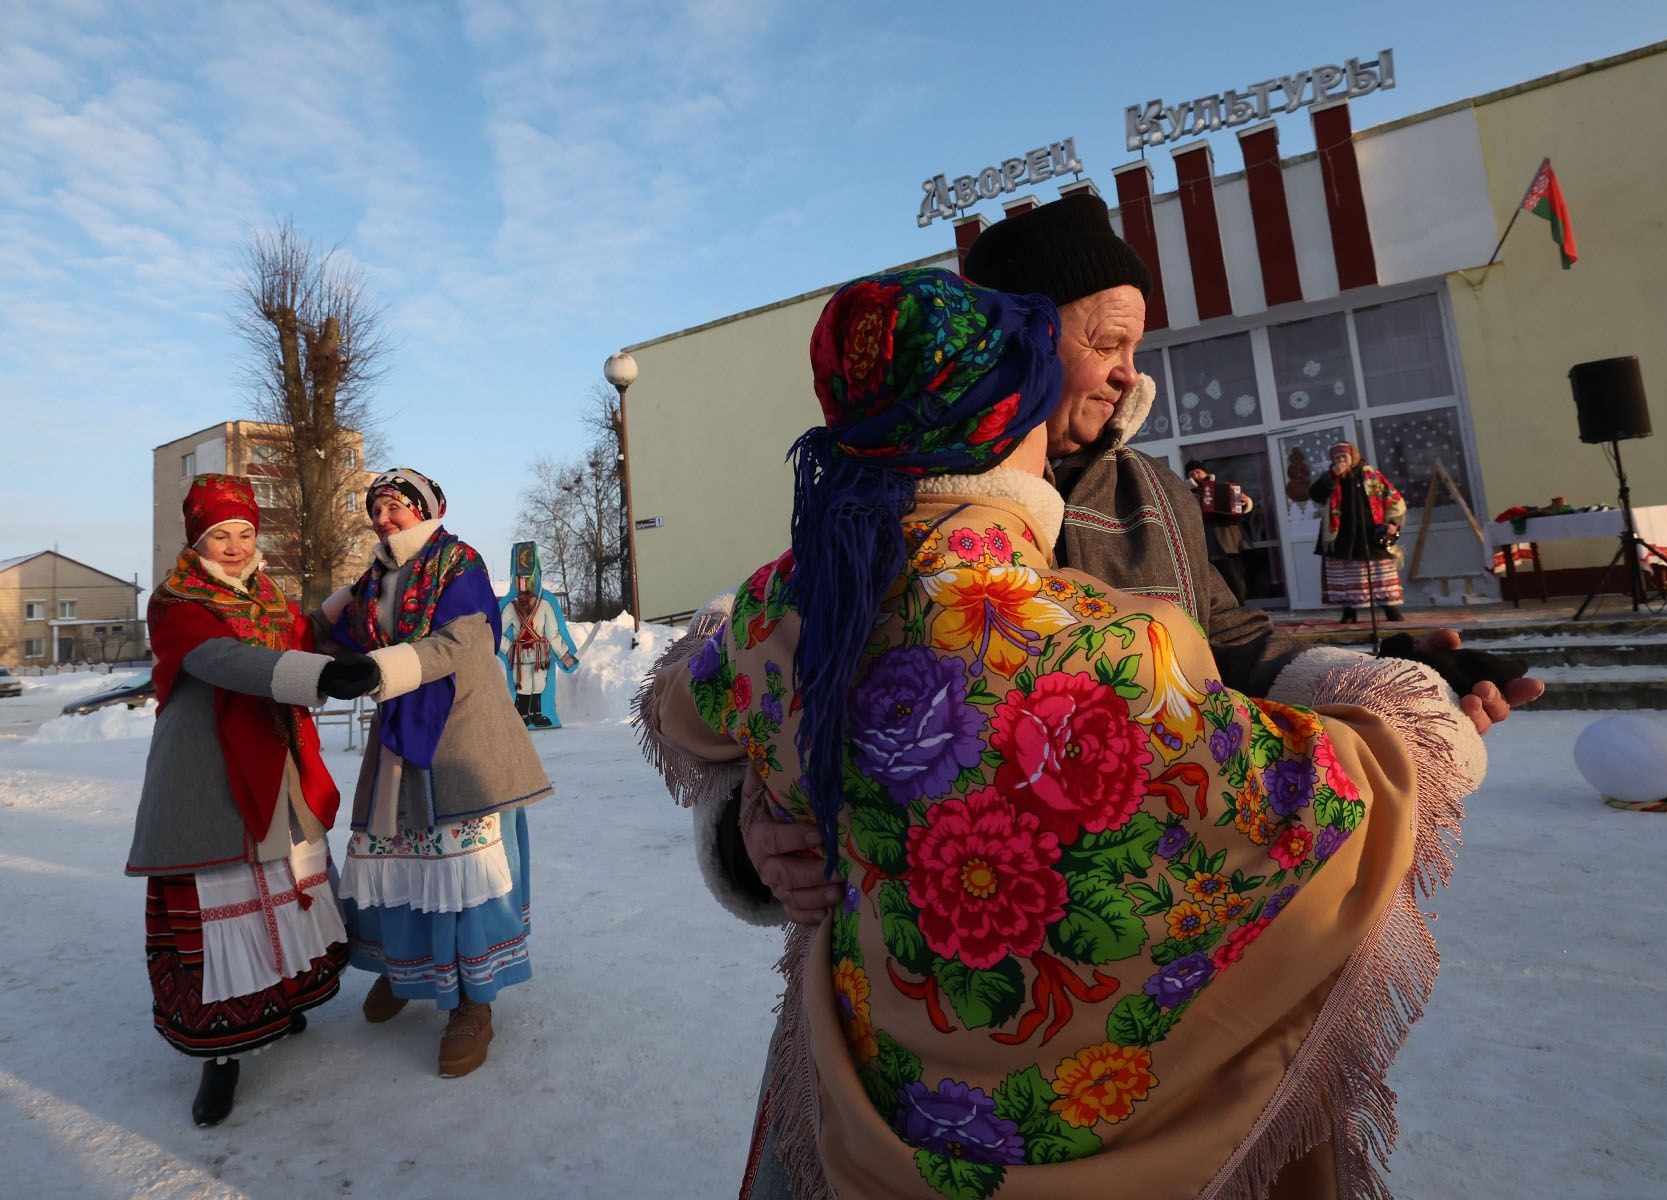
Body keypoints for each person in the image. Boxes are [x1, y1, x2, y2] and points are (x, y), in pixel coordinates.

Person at [638, 269, 1489, 1197]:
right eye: (1099, 351)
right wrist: (1410, 701)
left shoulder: (779, 606)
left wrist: (770, 773)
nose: (1123, 377)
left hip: (856, 1123)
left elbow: (684, 704)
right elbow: (1352, 796)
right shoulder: (1115, 647)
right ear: (1010, 421)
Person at [731, 194, 1543, 929]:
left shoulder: (1153, 489)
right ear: (1025, 347)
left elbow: (1230, 639)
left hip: (1138, 922)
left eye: (1135, 346)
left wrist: (1383, 678)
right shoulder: (899, 514)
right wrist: (752, 821)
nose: (1130, 373)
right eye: (1108, 343)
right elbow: (777, 686)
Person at [126, 474, 379, 1126]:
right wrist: (321, 674)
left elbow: (304, 630)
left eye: (244, 533)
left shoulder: (268, 596)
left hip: (278, 761)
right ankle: (220, 1057)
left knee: (284, 881)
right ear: (198, 541)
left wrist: (364, 594)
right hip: (209, 774)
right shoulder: (176, 602)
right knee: (222, 900)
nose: (236, 546)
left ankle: (282, 998)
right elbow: (224, 660)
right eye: (221, 535)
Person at [319, 467, 552, 1077]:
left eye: (395, 508)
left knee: (463, 868)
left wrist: (375, 671)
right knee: (391, 854)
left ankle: (473, 1001)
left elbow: (461, 644)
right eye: (377, 509)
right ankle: (407, 967)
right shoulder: (373, 579)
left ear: (426, 509)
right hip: (399, 732)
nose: (384, 519)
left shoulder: (460, 565)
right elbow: (330, 631)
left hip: (460, 733)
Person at [1310, 441, 1407, 624]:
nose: (1340, 460)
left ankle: (1389, 607)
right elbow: (1315, 494)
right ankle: (1348, 611)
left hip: (1371, 533)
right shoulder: (1330, 477)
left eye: (1344, 456)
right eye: (1336, 457)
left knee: (1379, 571)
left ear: (1353, 456)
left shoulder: (1371, 475)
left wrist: (1393, 522)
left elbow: (1393, 498)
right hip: (1341, 536)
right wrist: (1332, 476)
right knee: (1345, 573)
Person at [498, 540, 579, 729]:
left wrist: (564, 655)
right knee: (523, 684)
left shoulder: (545, 605)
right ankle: (521, 715)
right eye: (520, 579)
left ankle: (536, 714)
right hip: (520, 653)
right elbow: (497, 631)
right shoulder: (511, 607)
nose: (524, 584)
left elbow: (553, 633)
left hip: (540, 654)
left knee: (539, 683)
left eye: (527, 579)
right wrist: (508, 648)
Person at [1185, 460, 1255, 604]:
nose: (1196, 475)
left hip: (1230, 544)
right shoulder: (1187, 493)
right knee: (1213, 586)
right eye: (1191, 473)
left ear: (1206, 472)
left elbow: (1243, 514)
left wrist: (1245, 502)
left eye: (1198, 471)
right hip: (1206, 546)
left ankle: (1240, 608)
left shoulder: (1224, 487)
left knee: (1236, 582)